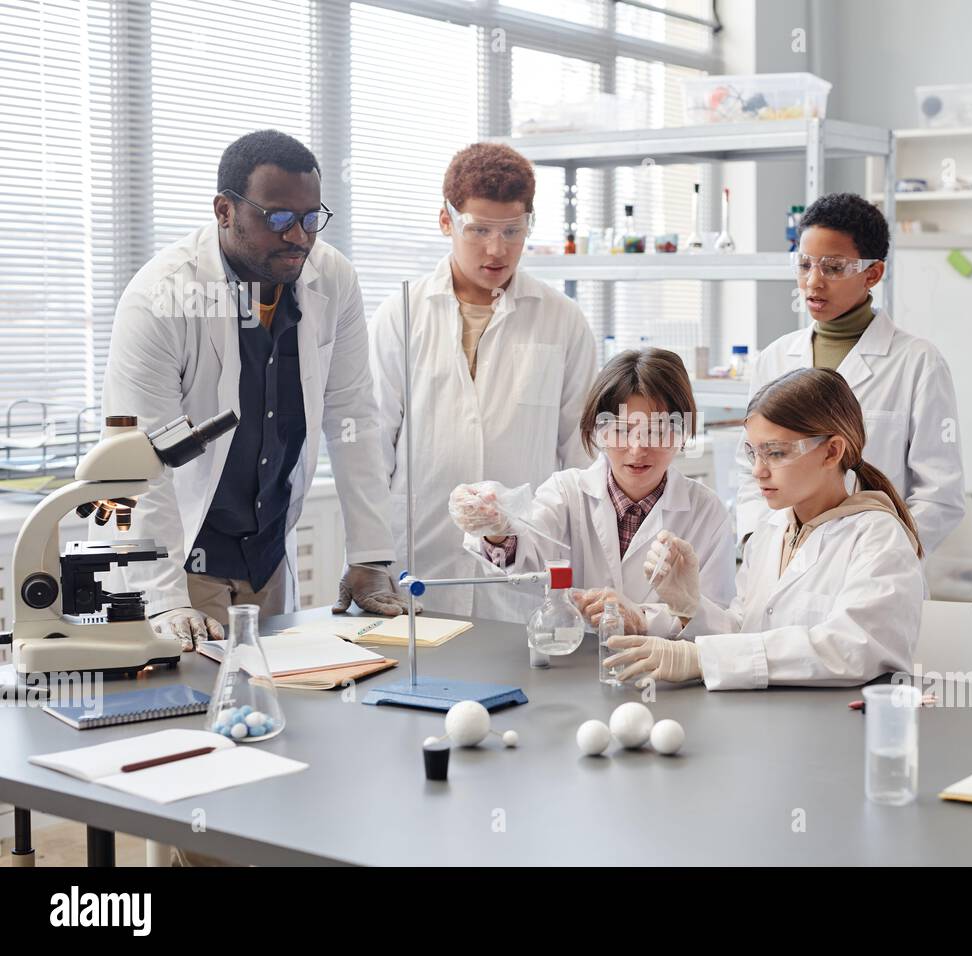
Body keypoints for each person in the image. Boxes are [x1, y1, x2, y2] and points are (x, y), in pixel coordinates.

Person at [99, 129, 405, 644]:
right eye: (279, 219)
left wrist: (371, 556)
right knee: (187, 711)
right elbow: (137, 457)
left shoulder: (332, 279)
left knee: (269, 711)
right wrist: (164, 598)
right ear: (225, 211)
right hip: (178, 558)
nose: (300, 237)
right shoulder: (162, 298)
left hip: (266, 556)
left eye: (311, 219)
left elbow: (353, 418)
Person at [369, 143, 597, 622]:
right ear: (446, 221)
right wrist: (368, 557)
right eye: (479, 230)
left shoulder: (563, 321)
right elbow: (373, 449)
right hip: (418, 567)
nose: (497, 249)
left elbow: (580, 456)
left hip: (522, 575)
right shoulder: (403, 313)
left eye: (513, 231)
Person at [604, 368, 925, 690]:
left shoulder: (878, 537)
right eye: (753, 453)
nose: (758, 471)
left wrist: (701, 659)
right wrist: (690, 607)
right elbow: (745, 631)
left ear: (831, 451)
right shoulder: (773, 529)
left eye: (776, 453)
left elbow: (854, 647)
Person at [733, 192, 964, 556]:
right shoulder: (775, 358)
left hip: (875, 566)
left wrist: (878, 556)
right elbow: (750, 471)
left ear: (872, 273)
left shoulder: (918, 362)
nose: (813, 282)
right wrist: (759, 545)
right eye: (804, 264)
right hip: (783, 561)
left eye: (834, 267)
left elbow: (940, 494)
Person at [449, 348, 735, 634]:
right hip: (575, 663)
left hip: (666, 672)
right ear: (596, 430)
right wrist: (497, 528)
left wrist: (643, 619)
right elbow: (526, 557)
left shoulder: (707, 513)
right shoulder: (566, 492)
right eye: (621, 430)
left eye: (657, 431)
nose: (637, 449)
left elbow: (718, 622)